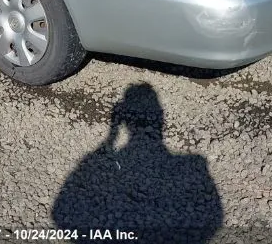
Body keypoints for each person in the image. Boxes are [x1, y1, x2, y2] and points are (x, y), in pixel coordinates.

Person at [52, 83, 223, 243]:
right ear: (161, 117)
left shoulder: (99, 162)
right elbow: (214, 220)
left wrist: (111, 137)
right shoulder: (195, 165)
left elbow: (59, 212)